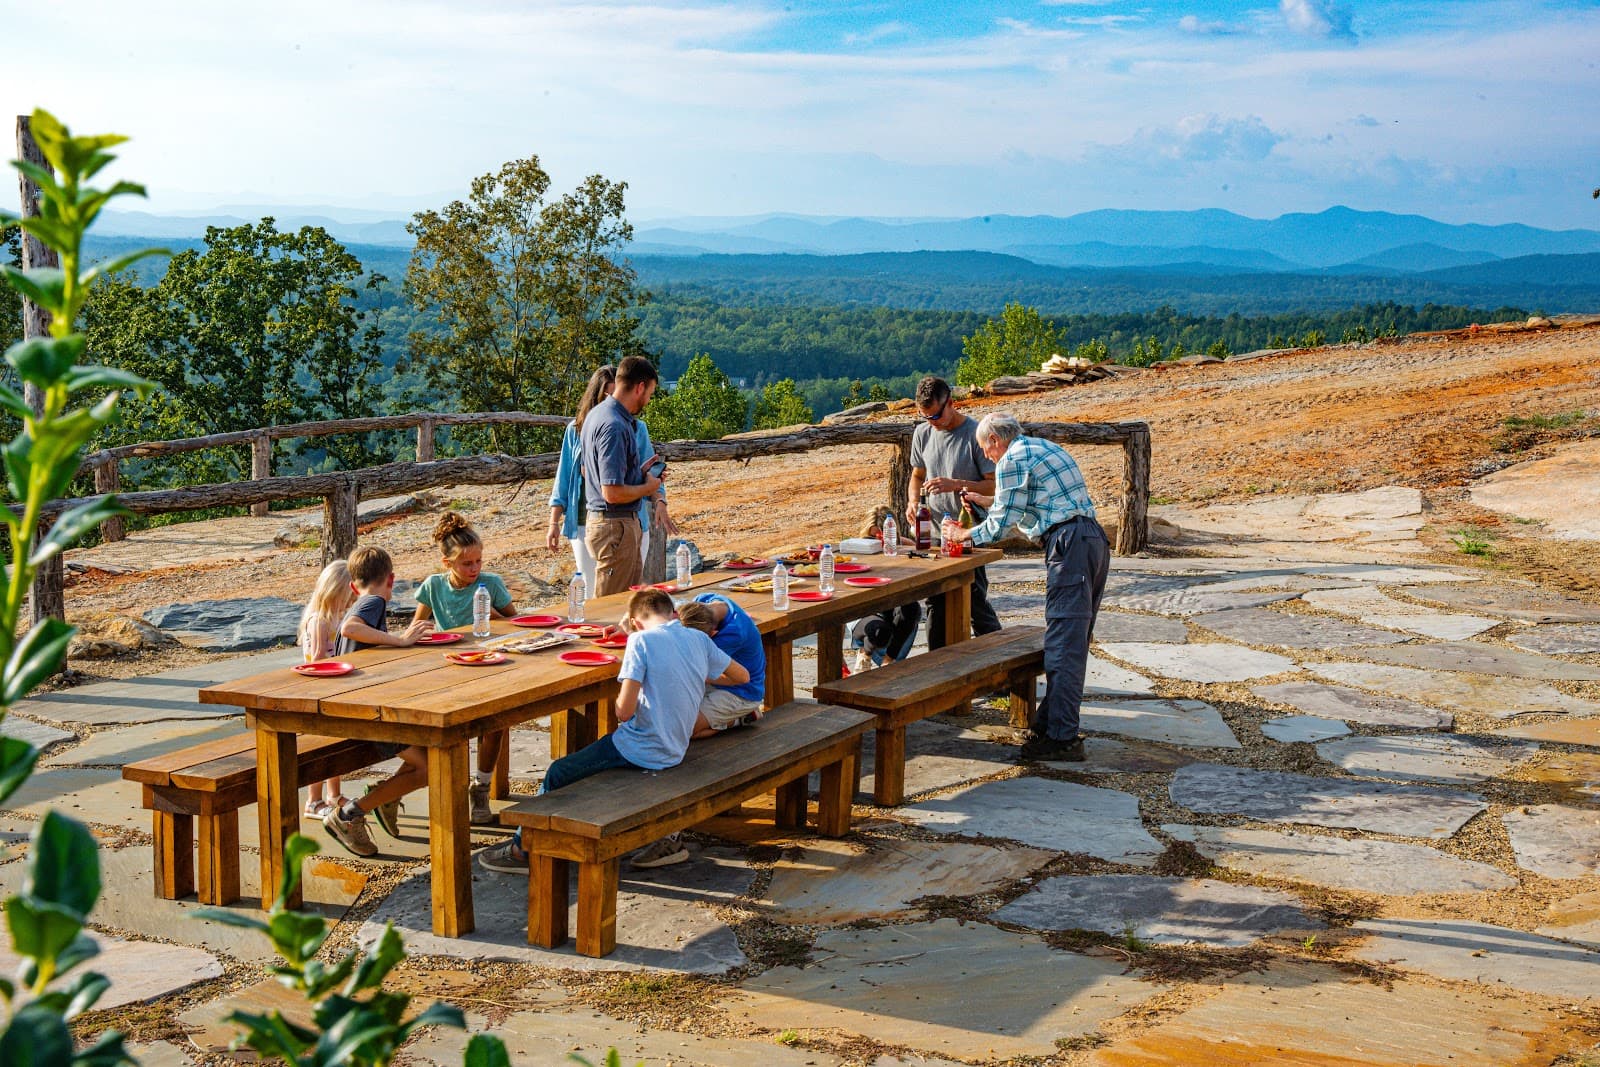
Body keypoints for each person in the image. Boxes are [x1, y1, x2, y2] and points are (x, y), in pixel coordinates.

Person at [479, 588, 749, 873]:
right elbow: (742, 676)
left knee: (559, 771)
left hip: (644, 748)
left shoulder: (640, 641)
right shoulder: (697, 638)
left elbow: (624, 711)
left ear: (634, 622)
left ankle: (523, 851)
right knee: (587, 762)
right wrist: (691, 673)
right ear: (672, 613)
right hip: (676, 744)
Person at [945, 413, 1107, 763]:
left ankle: (1061, 738)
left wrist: (963, 535)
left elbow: (1002, 524)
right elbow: (1022, 505)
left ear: (994, 441)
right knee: (1071, 639)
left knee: (1063, 644)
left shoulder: (1012, 459)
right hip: (1090, 539)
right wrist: (984, 502)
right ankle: (1050, 724)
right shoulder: (1040, 448)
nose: (986, 457)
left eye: (983, 449)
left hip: (1068, 545)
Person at [324, 546, 435, 856]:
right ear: (391, 579)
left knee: (429, 757)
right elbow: (351, 627)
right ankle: (348, 815)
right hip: (369, 714)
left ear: (351, 585)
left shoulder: (363, 600)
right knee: (429, 769)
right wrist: (400, 640)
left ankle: (383, 800)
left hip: (363, 707)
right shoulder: (372, 601)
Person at [414, 511, 517, 824]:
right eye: (467, 563)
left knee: (496, 723)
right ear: (448, 564)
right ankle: (443, 787)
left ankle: (482, 786)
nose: (474, 569)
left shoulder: (491, 584)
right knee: (449, 726)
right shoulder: (434, 586)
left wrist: (490, 617)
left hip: (489, 663)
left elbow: (516, 622)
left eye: (478, 561)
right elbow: (417, 625)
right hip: (451, 666)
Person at [550, 365, 674, 580]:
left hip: (630, 519)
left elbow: (647, 468)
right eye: (608, 393)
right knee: (594, 589)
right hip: (586, 520)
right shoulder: (578, 429)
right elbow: (565, 477)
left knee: (625, 588)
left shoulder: (636, 428)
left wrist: (659, 499)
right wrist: (553, 522)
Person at [905, 376, 1002, 648]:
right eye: (925, 416)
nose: (932, 421)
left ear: (952, 403)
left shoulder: (975, 433)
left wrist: (955, 484)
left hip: (969, 530)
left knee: (973, 600)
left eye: (936, 414)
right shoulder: (922, 433)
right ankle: (938, 665)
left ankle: (999, 663)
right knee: (936, 600)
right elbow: (916, 475)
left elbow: (993, 486)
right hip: (934, 531)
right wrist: (913, 501)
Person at [579, 356, 664, 597]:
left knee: (625, 604)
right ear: (640, 387)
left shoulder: (597, 415)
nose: (648, 400)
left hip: (611, 524)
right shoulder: (614, 425)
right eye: (650, 392)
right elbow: (612, 492)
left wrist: (640, 473)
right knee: (613, 609)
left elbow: (590, 471)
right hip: (615, 527)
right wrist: (648, 488)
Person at [297, 560, 354, 820]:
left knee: (335, 744)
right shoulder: (320, 621)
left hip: (333, 687)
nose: (348, 602)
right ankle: (313, 800)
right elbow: (318, 658)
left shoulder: (334, 618)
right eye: (346, 597)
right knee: (320, 747)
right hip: (320, 689)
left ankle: (333, 794)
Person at [677, 594, 765, 737]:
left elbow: (692, 667)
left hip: (741, 692)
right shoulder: (706, 599)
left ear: (713, 633)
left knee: (683, 732)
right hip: (716, 679)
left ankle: (739, 718)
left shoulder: (732, 634)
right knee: (670, 721)